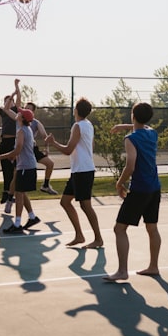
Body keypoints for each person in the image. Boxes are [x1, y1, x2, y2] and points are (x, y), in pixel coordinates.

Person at [104, 102, 162, 281]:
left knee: (119, 228)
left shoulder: (131, 139)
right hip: (155, 187)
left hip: (140, 189)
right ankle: (153, 266)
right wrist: (125, 126)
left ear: (132, 115)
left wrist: (119, 183)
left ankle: (122, 271)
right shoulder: (152, 133)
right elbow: (145, 126)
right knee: (152, 228)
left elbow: (130, 165)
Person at [46, 98, 102, 248]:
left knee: (86, 205)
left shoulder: (78, 126)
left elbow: (68, 150)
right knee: (65, 202)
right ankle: (79, 235)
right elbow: (91, 145)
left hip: (83, 171)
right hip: (80, 170)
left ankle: (98, 239)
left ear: (76, 110)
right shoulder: (88, 125)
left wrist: (53, 143)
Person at [0, 108, 42, 233]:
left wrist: (0, 157)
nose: (17, 113)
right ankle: (32, 217)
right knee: (21, 192)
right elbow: (20, 149)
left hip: (26, 166)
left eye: (20, 113)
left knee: (19, 194)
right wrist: (14, 157)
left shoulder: (21, 131)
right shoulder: (26, 129)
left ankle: (17, 224)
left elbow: (18, 149)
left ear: (22, 118)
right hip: (25, 165)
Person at [0, 79, 21, 210]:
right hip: (4, 143)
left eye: (10, 100)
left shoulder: (16, 112)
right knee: (6, 170)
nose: (8, 102)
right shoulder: (3, 113)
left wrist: (16, 86)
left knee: (14, 170)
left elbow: (18, 98)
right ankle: (6, 193)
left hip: (14, 143)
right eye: (6, 100)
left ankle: (13, 194)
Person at [24, 101, 58, 195]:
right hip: (22, 150)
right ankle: (12, 193)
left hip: (32, 149)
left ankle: (46, 185)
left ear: (33, 112)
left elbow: (44, 136)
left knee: (50, 164)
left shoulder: (36, 123)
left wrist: (47, 148)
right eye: (25, 108)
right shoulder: (18, 120)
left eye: (28, 109)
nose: (26, 110)